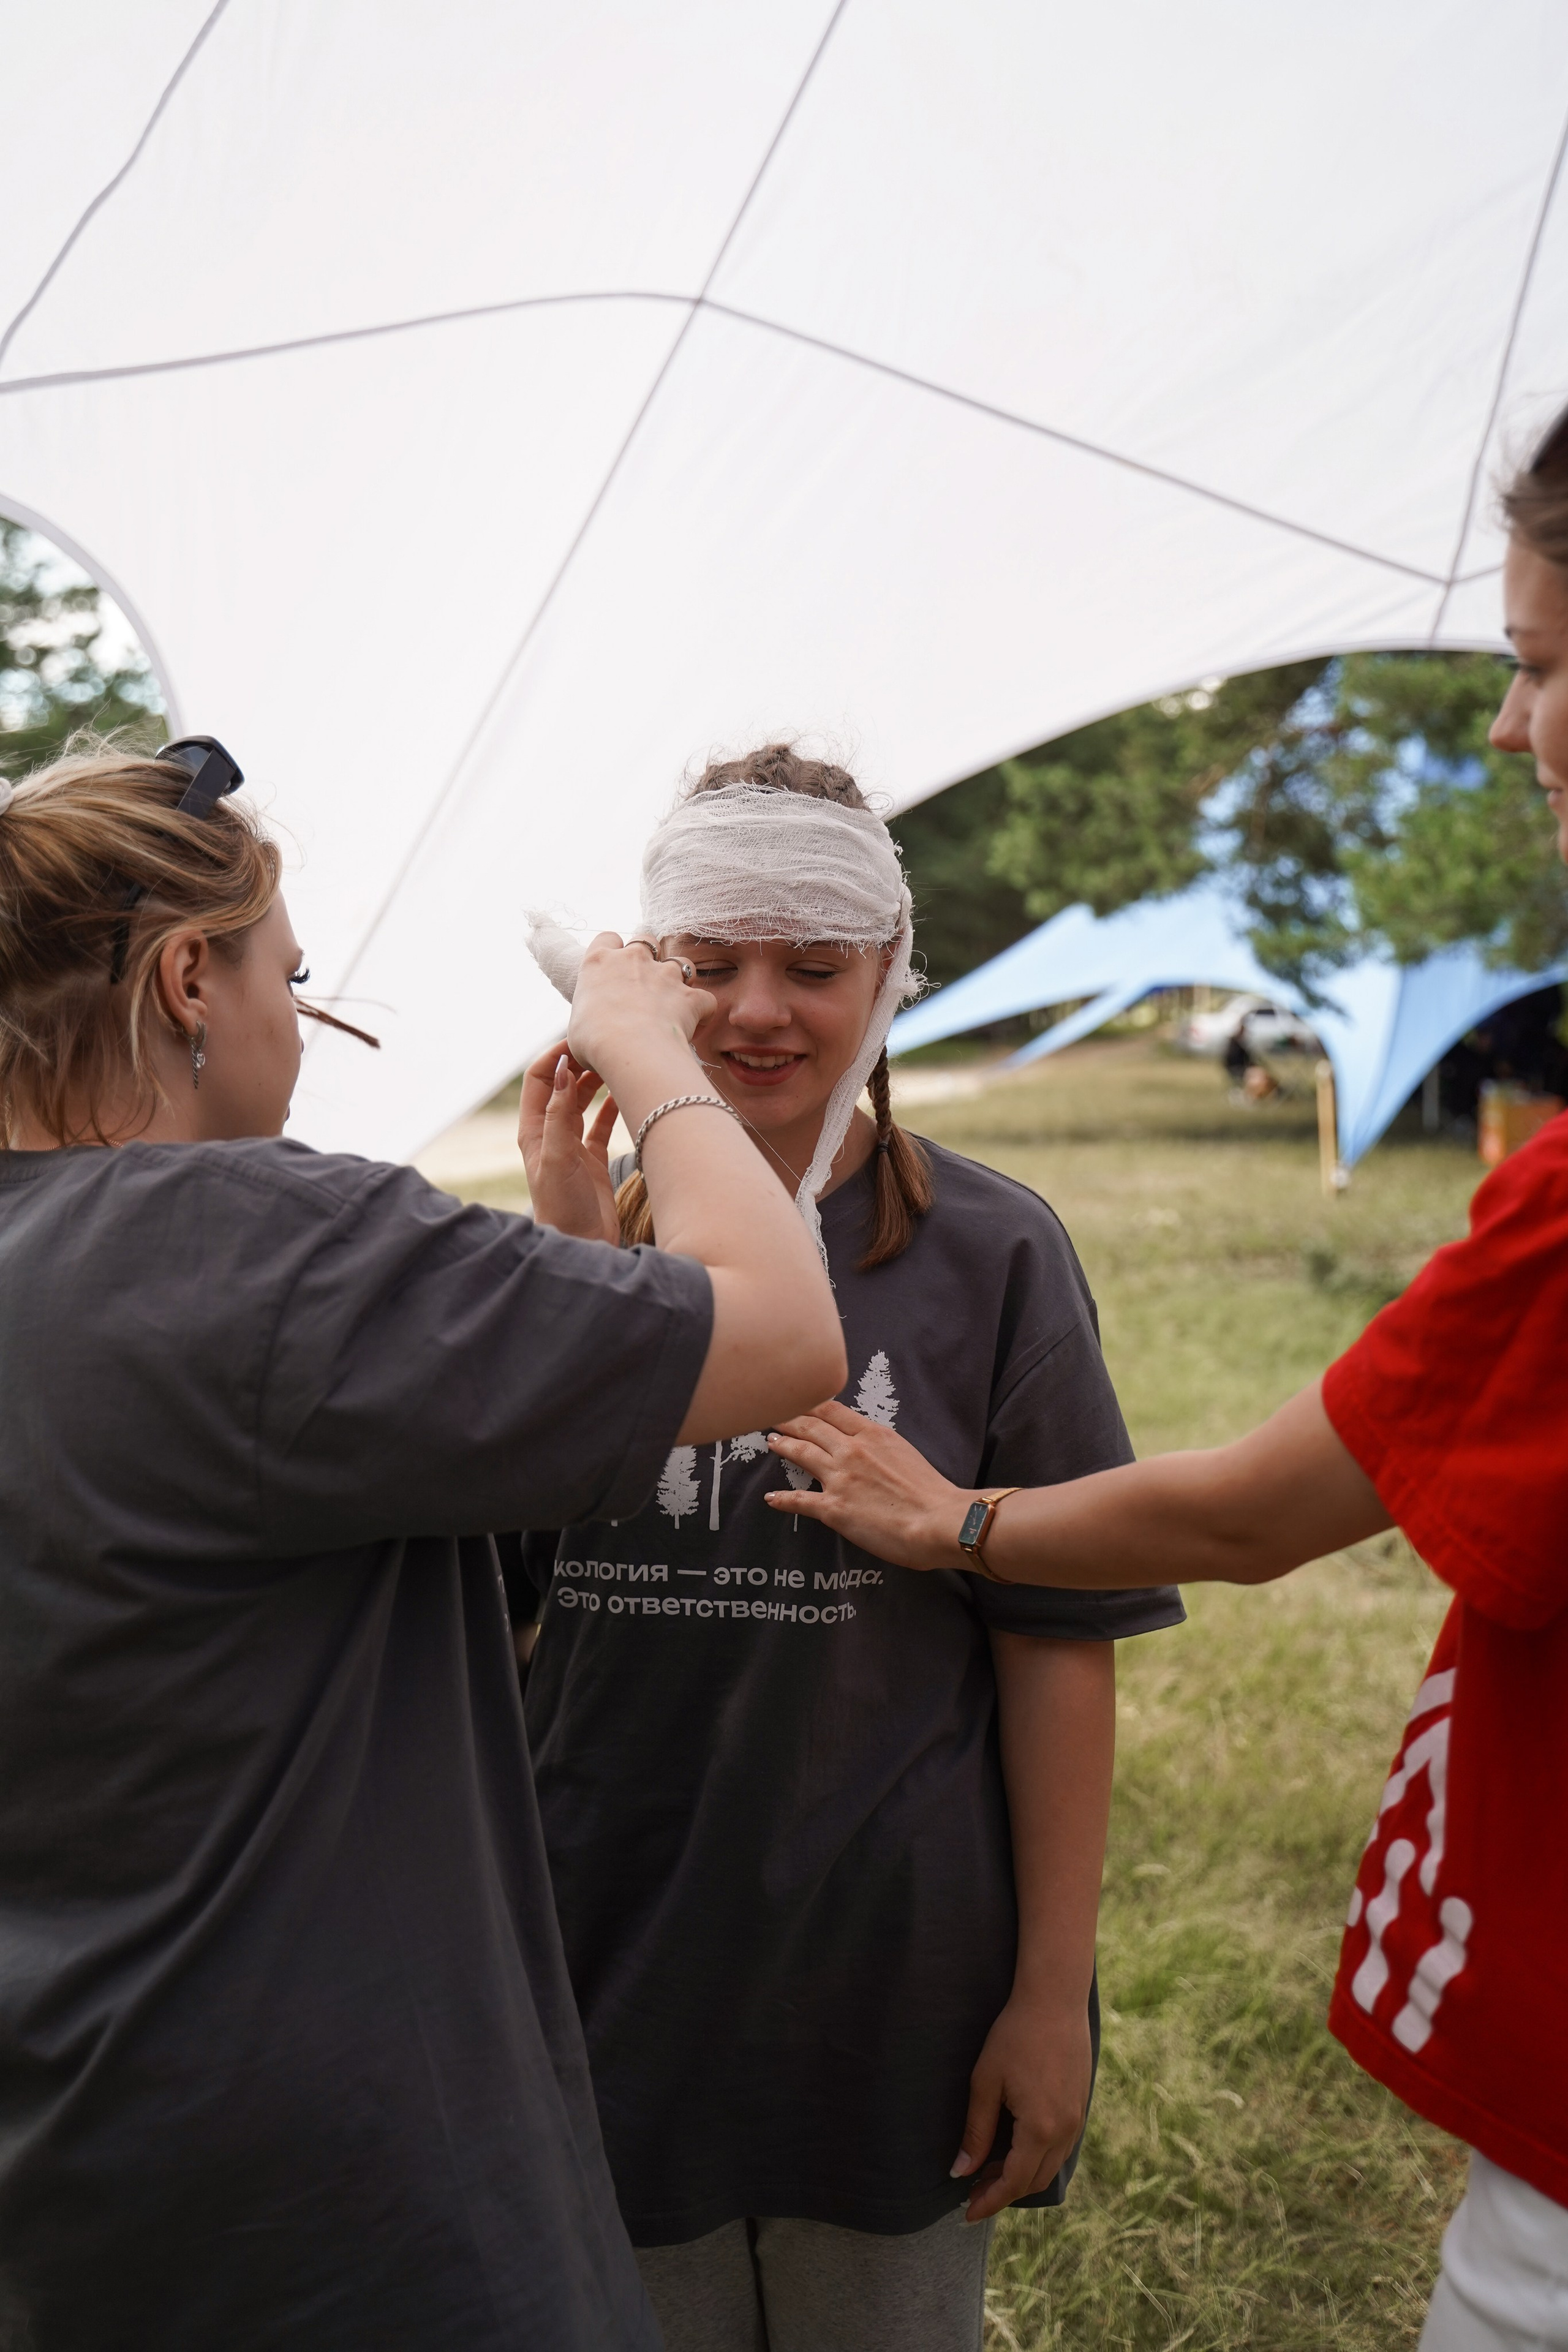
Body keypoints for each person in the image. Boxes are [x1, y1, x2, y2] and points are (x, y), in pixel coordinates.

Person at [764, 414, 1568, 2352]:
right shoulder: (564, 1248)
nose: (1507, 724)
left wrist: (956, 1521)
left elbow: (1253, 1513)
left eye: (1542, 664)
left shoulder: (996, 1250)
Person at [0, 736, 844, 2351]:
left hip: (74, 2162)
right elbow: (784, 1331)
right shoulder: (260, 1238)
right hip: (352, 2193)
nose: (295, 1028)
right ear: (187, 980)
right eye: (291, 979)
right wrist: (647, 1054)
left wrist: (570, 1254)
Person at [514, 745, 1183, 2352]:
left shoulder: (992, 1253)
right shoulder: (569, 1245)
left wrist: (1049, 1995)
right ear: (644, 978)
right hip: (605, 1972)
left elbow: (1058, 1638)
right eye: (709, 964)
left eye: (812, 967)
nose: (757, 1010)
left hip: (889, 1997)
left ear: (891, 974)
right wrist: (566, 1280)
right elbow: (496, 1614)